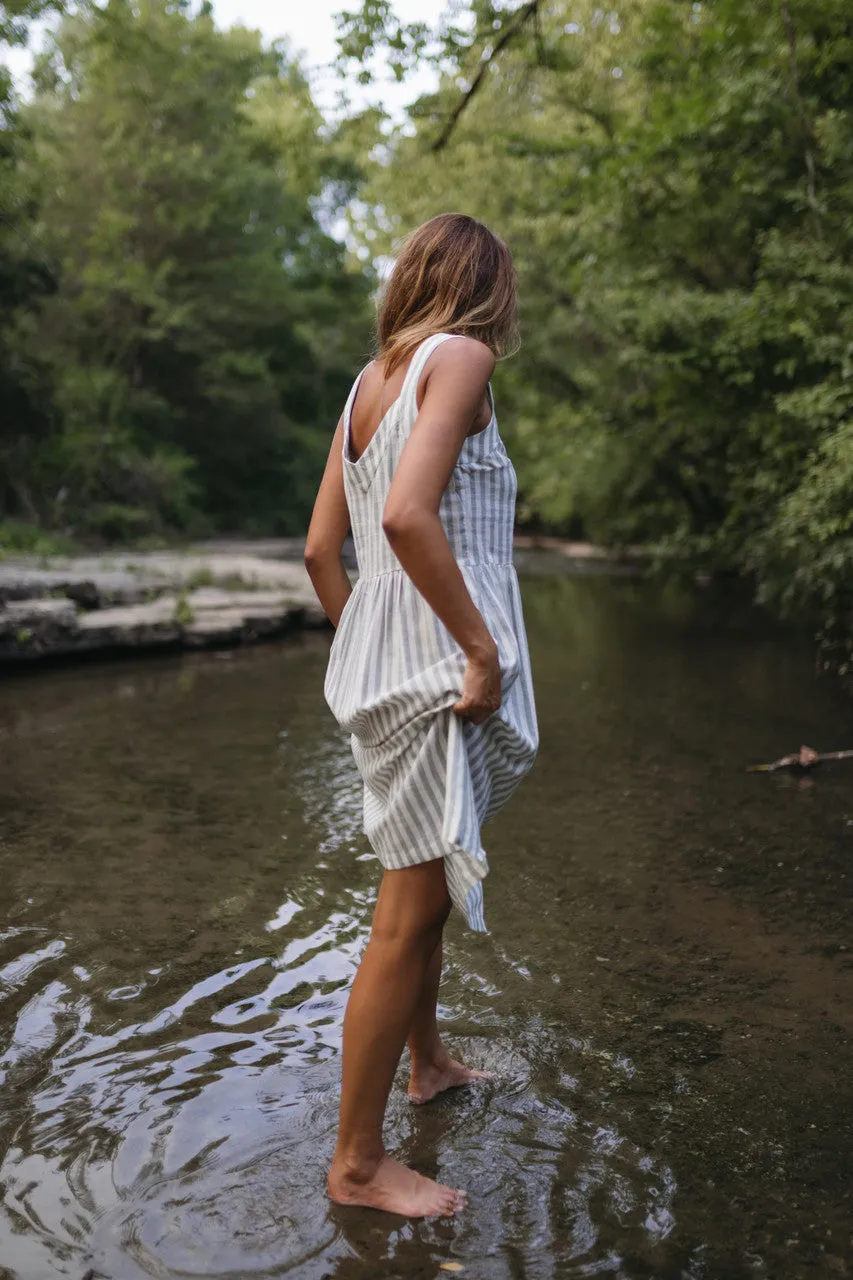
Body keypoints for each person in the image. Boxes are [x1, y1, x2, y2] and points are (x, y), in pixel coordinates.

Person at [304, 212, 538, 1218]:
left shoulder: (368, 384)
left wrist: (374, 641)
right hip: (440, 668)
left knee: (428, 883)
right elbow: (404, 514)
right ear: (485, 284)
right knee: (403, 916)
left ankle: (428, 1060)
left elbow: (323, 550)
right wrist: (475, 648)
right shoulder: (465, 357)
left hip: (390, 661)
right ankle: (357, 1164)